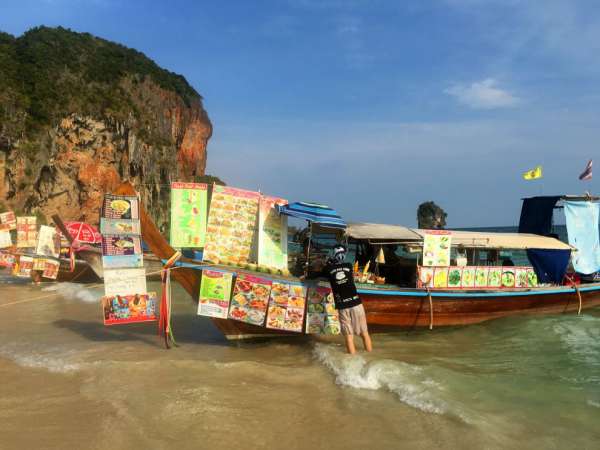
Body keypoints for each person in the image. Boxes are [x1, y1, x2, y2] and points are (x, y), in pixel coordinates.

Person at [316, 244, 372, 354]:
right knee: (364, 333)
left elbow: (316, 274)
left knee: (349, 336)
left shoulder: (328, 269)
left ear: (334, 255)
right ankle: (369, 356)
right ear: (344, 255)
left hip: (343, 306)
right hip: (356, 303)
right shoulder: (349, 265)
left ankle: (352, 361)